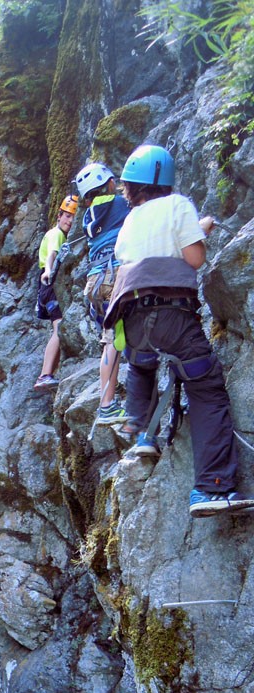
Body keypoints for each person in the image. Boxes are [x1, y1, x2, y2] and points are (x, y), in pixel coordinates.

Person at [103, 143, 254, 517]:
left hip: (133, 321)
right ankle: (211, 486)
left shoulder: (129, 221)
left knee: (141, 364)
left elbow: (132, 258)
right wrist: (200, 229)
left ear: (134, 186)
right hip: (173, 316)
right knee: (206, 387)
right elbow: (195, 259)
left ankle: (141, 431)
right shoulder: (178, 205)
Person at [74, 162, 130, 425]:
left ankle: (106, 404)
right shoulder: (120, 203)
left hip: (95, 283)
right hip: (117, 276)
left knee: (111, 340)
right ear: (109, 183)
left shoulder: (88, 216)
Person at [34, 194, 78, 390]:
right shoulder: (56, 234)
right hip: (49, 283)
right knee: (59, 328)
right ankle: (45, 375)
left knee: (59, 328)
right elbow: (52, 254)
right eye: (66, 216)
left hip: (49, 286)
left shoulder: (60, 234)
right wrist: (50, 271)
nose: (69, 220)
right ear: (59, 216)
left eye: (73, 217)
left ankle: (48, 373)